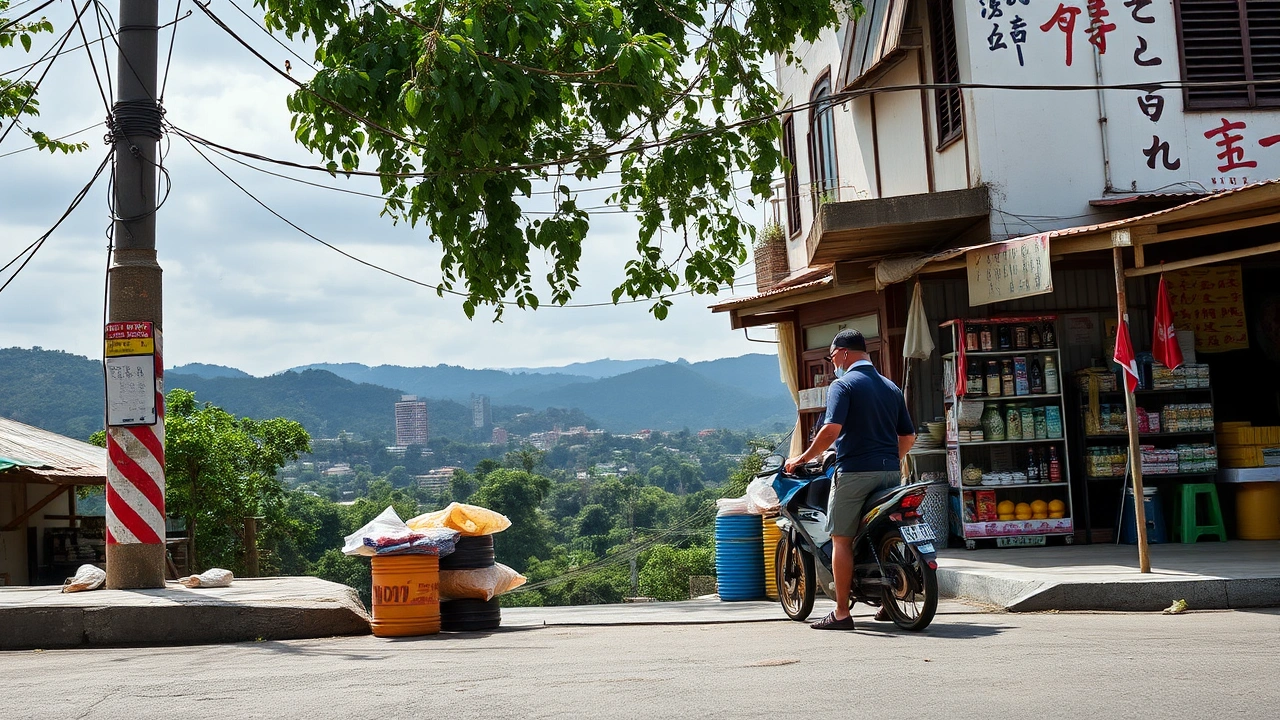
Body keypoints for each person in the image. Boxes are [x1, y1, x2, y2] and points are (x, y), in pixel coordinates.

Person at [784, 329, 915, 630]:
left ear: (843, 353)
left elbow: (831, 430)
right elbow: (908, 436)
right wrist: (889, 460)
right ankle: (887, 601)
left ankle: (842, 612)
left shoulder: (842, 385)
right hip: (890, 473)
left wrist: (801, 458)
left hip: (854, 472)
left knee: (841, 539)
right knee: (880, 532)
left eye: (832, 357)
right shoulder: (891, 387)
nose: (833, 363)